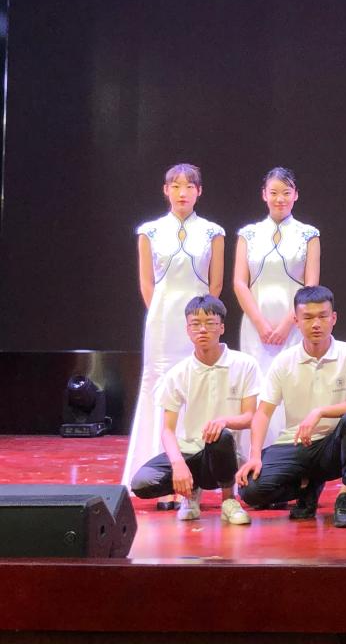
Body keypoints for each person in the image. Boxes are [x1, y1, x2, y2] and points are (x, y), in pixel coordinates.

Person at [123, 163, 225, 510]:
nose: (183, 192)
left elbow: (215, 285)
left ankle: (198, 476)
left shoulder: (212, 232)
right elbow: (147, 283)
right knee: (160, 388)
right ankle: (160, 478)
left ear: (200, 191)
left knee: (196, 387)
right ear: (165, 190)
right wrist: (162, 315)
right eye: (176, 186)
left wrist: (201, 321)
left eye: (189, 186)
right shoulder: (149, 231)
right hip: (163, 321)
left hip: (199, 319)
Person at [236, 285, 346, 528]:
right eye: (308, 317)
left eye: (322, 316)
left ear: (334, 318)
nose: (316, 324)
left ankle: (345, 498)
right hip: (296, 444)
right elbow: (263, 413)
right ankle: (307, 488)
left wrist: (319, 412)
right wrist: (254, 456)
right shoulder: (284, 361)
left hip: (334, 445)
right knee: (250, 490)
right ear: (296, 321)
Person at [130, 296, 260, 525]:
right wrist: (177, 464)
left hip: (225, 453)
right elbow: (167, 430)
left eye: (210, 323)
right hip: (190, 451)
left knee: (221, 436)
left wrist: (224, 421)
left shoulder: (244, 364)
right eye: (195, 324)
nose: (202, 330)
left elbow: (250, 416)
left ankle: (229, 501)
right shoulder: (178, 373)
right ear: (187, 330)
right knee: (143, 482)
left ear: (222, 327)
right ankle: (190, 494)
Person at [234, 166, 320, 461]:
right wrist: (260, 323)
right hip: (255, 323)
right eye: (274, 193)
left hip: (295, 323)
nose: (280, 198)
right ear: (264, 195)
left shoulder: (308, 234)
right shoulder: (248, 234)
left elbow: (311, 285)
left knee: (292, 385)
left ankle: (293, 457)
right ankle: (255, 457)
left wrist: (288, 323)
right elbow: (239, 283)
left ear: (296, 195)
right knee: (258, 386)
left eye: (286, 192)